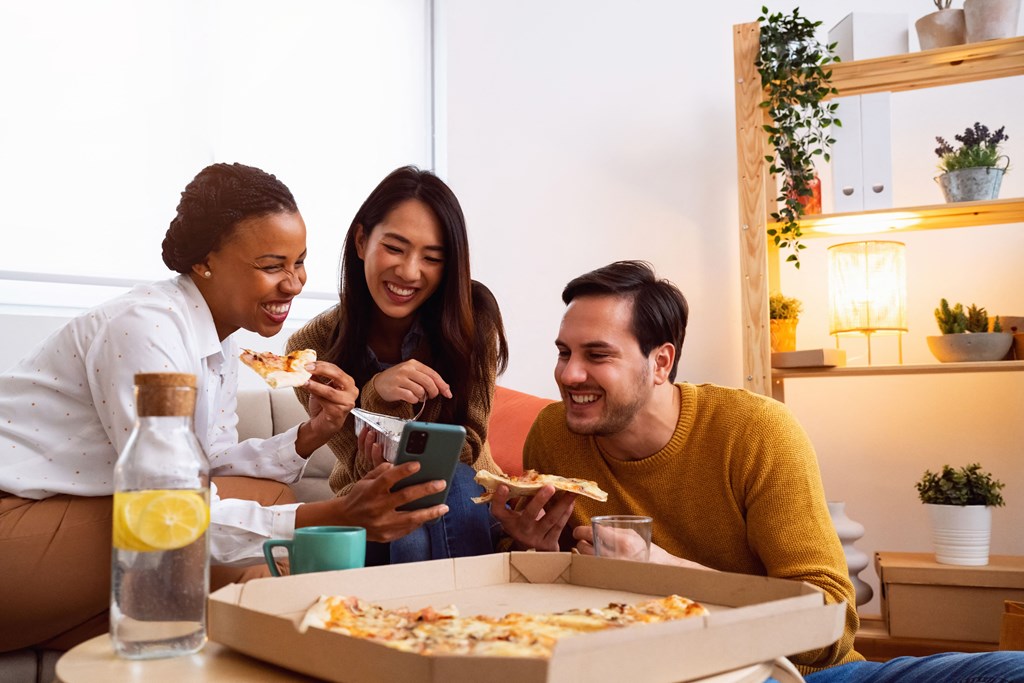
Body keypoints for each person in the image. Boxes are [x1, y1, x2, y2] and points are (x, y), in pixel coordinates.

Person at [491, 260, 1024, 682]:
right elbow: (569, 612)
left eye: (596, 354)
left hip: (795, 672)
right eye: (563, 352)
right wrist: (537, 552)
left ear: (660, 362)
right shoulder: (555, 435)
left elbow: (831, 625)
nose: (569, 373)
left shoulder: (754, 431)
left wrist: (662, 571)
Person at [0, 162, 450, 653]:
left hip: (52, 529)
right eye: (272, 265)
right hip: (17, 521)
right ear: (204, 260)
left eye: (300, 262)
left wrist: (313, 433)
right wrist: (336, 513)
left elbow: (206, 463)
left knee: (260, 522)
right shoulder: (146, 329)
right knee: (267, 524)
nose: (295, 283)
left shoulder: (216, 338)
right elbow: (171, 506)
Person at [288, 165, 509, 564]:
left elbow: (470, 444)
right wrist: (377, 392)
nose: (409, 272)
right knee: (397, 502)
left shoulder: (473, 322)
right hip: (369, 511)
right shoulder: (310, 349)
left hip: (467, 509)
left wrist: (395, 428)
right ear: (360, 241)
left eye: (432, 257)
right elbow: (358, 469)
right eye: (394, 248)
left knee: (447, 480)